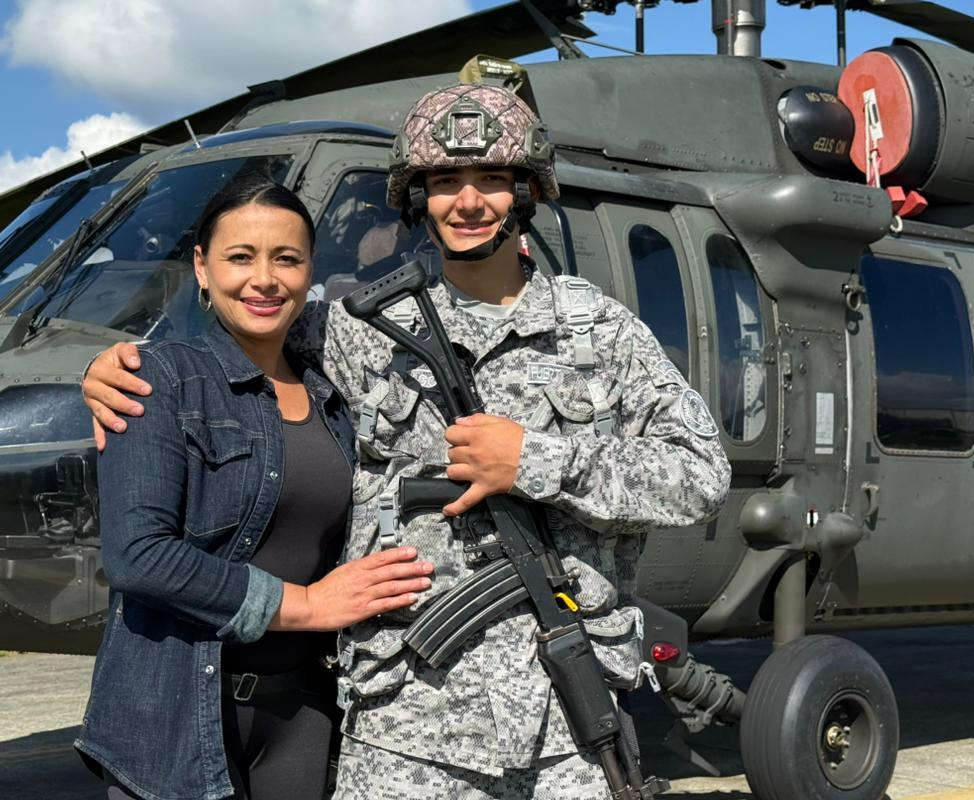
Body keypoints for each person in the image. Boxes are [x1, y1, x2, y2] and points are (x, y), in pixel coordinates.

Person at [84, 83, 731, 799]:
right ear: (416, 197)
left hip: (567, 725)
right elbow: (234, 330)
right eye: (445, 181)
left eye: (491, 178)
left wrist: (536, 460)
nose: (468, 200)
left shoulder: (598, 335)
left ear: (527, 192)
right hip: (403, 728)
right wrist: (109, 369)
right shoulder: (351, 327)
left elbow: (701, 472)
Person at [74, 178, 434, 800]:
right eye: (240, 257)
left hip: (302, 713)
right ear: (203, 268)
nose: (264, 279)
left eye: (286, 259)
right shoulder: (157, 379)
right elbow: (138, 556)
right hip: (178, 715)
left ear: (309, 273)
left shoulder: (335, 393)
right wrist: (310, 606)